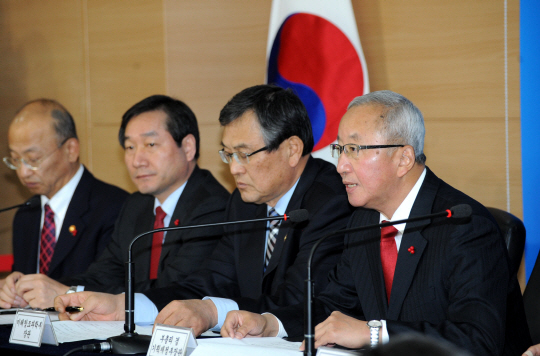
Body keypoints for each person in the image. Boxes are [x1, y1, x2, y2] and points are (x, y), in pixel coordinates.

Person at [220, 90, 530, 355]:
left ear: (403, 159)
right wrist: (270, 323)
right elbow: (330, 307)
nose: (340, 165)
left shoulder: (465, 226)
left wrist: (374, 334)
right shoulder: (364, 221)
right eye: (340, 149)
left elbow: (478, 340)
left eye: (353, 150)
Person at [55, 84, 352, 336]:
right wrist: (125, 306)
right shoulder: (243, 203)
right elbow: (207, 281)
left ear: (291, 150)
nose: (234, 169)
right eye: (228, 154)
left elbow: (300, 301)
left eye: (245, 154)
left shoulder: (331, 201)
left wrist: (212, 311)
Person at [1, 95, 230, 310]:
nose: (137, 160)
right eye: (130, 147)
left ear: (188, 147)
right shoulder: (136, 205)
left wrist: (69, 294)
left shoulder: (212, 206)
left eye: (150, 145)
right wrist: (35, 289)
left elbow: (174, 291)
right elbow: (103, 275)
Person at [0, 99, 128, 308]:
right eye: (15, 160)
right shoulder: (26, 214)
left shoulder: (115, 207)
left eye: (33, 159)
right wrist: (11, 292)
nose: (23, 173)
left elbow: (116, 290)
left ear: (71, 149)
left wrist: (62, 296)